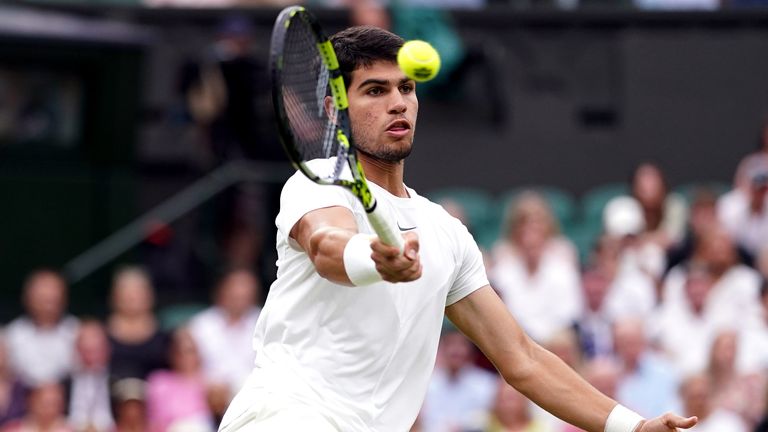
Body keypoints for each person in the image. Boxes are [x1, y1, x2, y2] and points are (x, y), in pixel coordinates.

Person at [218, 25, 697, 432]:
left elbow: (523, 360)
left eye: (406, 88)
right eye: (375, 90)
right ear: (333, 110)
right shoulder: (317, 183)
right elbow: (326, 244)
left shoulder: (445, 233)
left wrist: (630, 425)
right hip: (286, 416)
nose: (398, 103)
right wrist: (372, 258)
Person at [5, 269, 79, 387]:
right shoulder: (10, 336)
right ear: (27, 299)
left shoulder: (78, 333)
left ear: (64, 299)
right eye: (42, 299)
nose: (47, 306)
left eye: (52, 299)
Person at [106, 267, 169, 381]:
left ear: (150, 295)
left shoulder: (167, 337)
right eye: (126, 292)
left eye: (137, 292)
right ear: (114, 296)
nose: (131, 298)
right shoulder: (100, 336)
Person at [65, 320, 115, 432]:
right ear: (76, 349)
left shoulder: (120, 379)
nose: (91, 357)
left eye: (96, 350)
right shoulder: (64, 382)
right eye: (86, 350)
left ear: (108, 349)